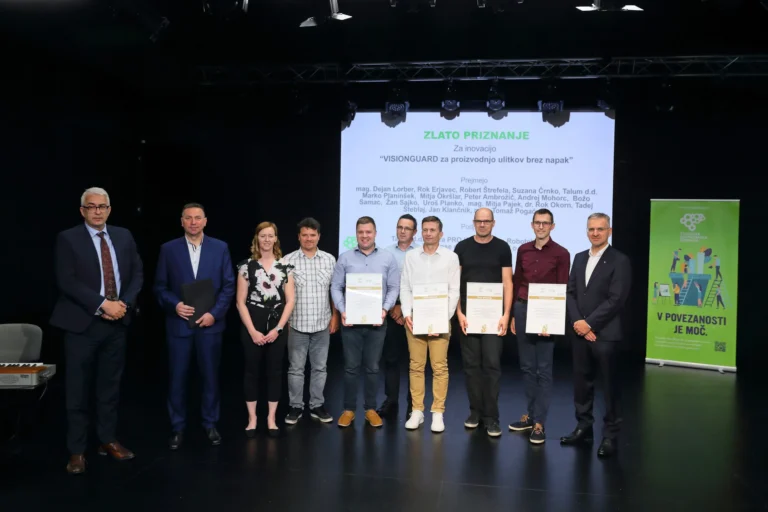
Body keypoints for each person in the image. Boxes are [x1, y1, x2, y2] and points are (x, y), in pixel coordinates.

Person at [51, 187, 143, 475]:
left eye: (102, 206)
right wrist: (104, 304)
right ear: (83, 211)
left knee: (109, 388)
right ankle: (77, 451)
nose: (97, 211)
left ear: (109, 209)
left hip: (116, 325)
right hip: (82, 325)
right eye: (91, 206)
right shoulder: (68, 238)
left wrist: (123, 304)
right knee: (77, 391)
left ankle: (107, 440)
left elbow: (137, 273)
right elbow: (67, 281)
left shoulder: (123, 236)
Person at [153, 203, 235, 450]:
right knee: (177, 378)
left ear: (205, 221)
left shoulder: (220, 247)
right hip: (179, 326)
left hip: (210, 326)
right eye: (188, 218)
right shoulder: (168, 249)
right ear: (182, 221)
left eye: (198, 218)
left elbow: (228, 285)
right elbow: (160, 287)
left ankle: (210, 423)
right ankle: (177, 427)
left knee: (210, 377)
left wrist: (215, 314)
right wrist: (175, 305)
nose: (193, 222)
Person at [561, 213, 631, 458]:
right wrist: (578, 323)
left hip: (605, 334)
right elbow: (570, 292)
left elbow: (616, 299)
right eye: (591, 229)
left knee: (610, 387)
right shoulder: (580, 257)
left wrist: (589, 324)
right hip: (580, 332)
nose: (595, 233)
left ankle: (610, 435)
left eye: (600, 229)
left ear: (609, 231)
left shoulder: (619, 260)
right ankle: (584, 428)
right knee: (582, 383)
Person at [331, 216, 400, 428]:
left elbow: (393, 288)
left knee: (372, 368)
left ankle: (370, 409)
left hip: (377, 323)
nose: (364, 236)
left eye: (368, 232)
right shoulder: (345, 258)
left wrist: (384, 309)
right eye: (360, 232)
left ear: (375, 233)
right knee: (351, 368)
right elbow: (335, 287)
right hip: (350, 323)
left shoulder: (388, 258)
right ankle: (349, 410)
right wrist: (342, 310)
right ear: (356, 234)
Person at [508, 209, 570, 444]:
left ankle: (539, 423)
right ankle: (531, 415)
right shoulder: (523, 249)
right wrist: (513, 314)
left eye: (545, 223)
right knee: (527, 367)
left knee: (543, 369)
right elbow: (517, 281)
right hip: (523, 309)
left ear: (552, 226)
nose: (541, 227)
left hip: (546, 313)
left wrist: (554, 320)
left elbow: (563, 287)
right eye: (537, 223)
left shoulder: (561, 253)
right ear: (532, 225)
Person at [454, 208, 512, 437]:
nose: (482, 224)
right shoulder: (462, 247)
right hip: (468, 316)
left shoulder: (503, 247)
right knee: (471, 367)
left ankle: (492, 417)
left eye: (486, 221)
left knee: (492, 366)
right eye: (479, 221)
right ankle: (475, 413)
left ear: (493, 223)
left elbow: (507, 282)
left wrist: (506, 314)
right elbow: (455, 283)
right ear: (473, 222)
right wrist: (459, 312)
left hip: (494, 317)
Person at [399, 216, 460, 433]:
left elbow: (454, 290)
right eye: (425, 229)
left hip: (440, 320)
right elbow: (405, 287)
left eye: (432, 230)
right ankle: (417, 411)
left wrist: (443, 319)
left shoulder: (451, 257)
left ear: (440, 234)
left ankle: (437, 412)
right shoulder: (411, 256)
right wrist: (407, 313)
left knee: (439, 367)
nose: (428, 233)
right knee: (416, 366)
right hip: (415, 320)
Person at [235, 222, 296, 437]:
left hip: (277, 324)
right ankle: (252, 418)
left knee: (275, 371)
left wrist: (278, 329)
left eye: (271, 236)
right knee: (251, 371)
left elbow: (290, 300)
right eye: (263, 236)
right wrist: (252, 331)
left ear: (276, 239)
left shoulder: (285, 267)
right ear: (257, 238)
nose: (267, 240)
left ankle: (271, 418)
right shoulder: (246, 266)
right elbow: (240, 302)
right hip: (252, 322)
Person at [283, 218, 339, 425]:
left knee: (320, 368)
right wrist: (284, 323)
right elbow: (283, 296)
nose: (309, 238)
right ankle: (295, 406)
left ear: (319, 237)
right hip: (296, 324)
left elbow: (334, 290)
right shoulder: (287, 260)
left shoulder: (329, 260)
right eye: (305, 235)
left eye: (312, 235)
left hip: (322, 323)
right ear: (299, 237)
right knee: (295, 369)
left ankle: (317, 405)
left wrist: (335, 316)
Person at [378, 214, 417, 418]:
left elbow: (422, 285)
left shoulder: (420, 254)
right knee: (391, 359)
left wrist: (405, 308)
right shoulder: (385, 253)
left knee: (414, 361)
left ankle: (413, 404)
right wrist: (394, 306)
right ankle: (391, 400)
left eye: (407, 228)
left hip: (414, 314)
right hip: (391, 313)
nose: (402, 231)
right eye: (400, 227)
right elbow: (381, 283)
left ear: (414, 232)